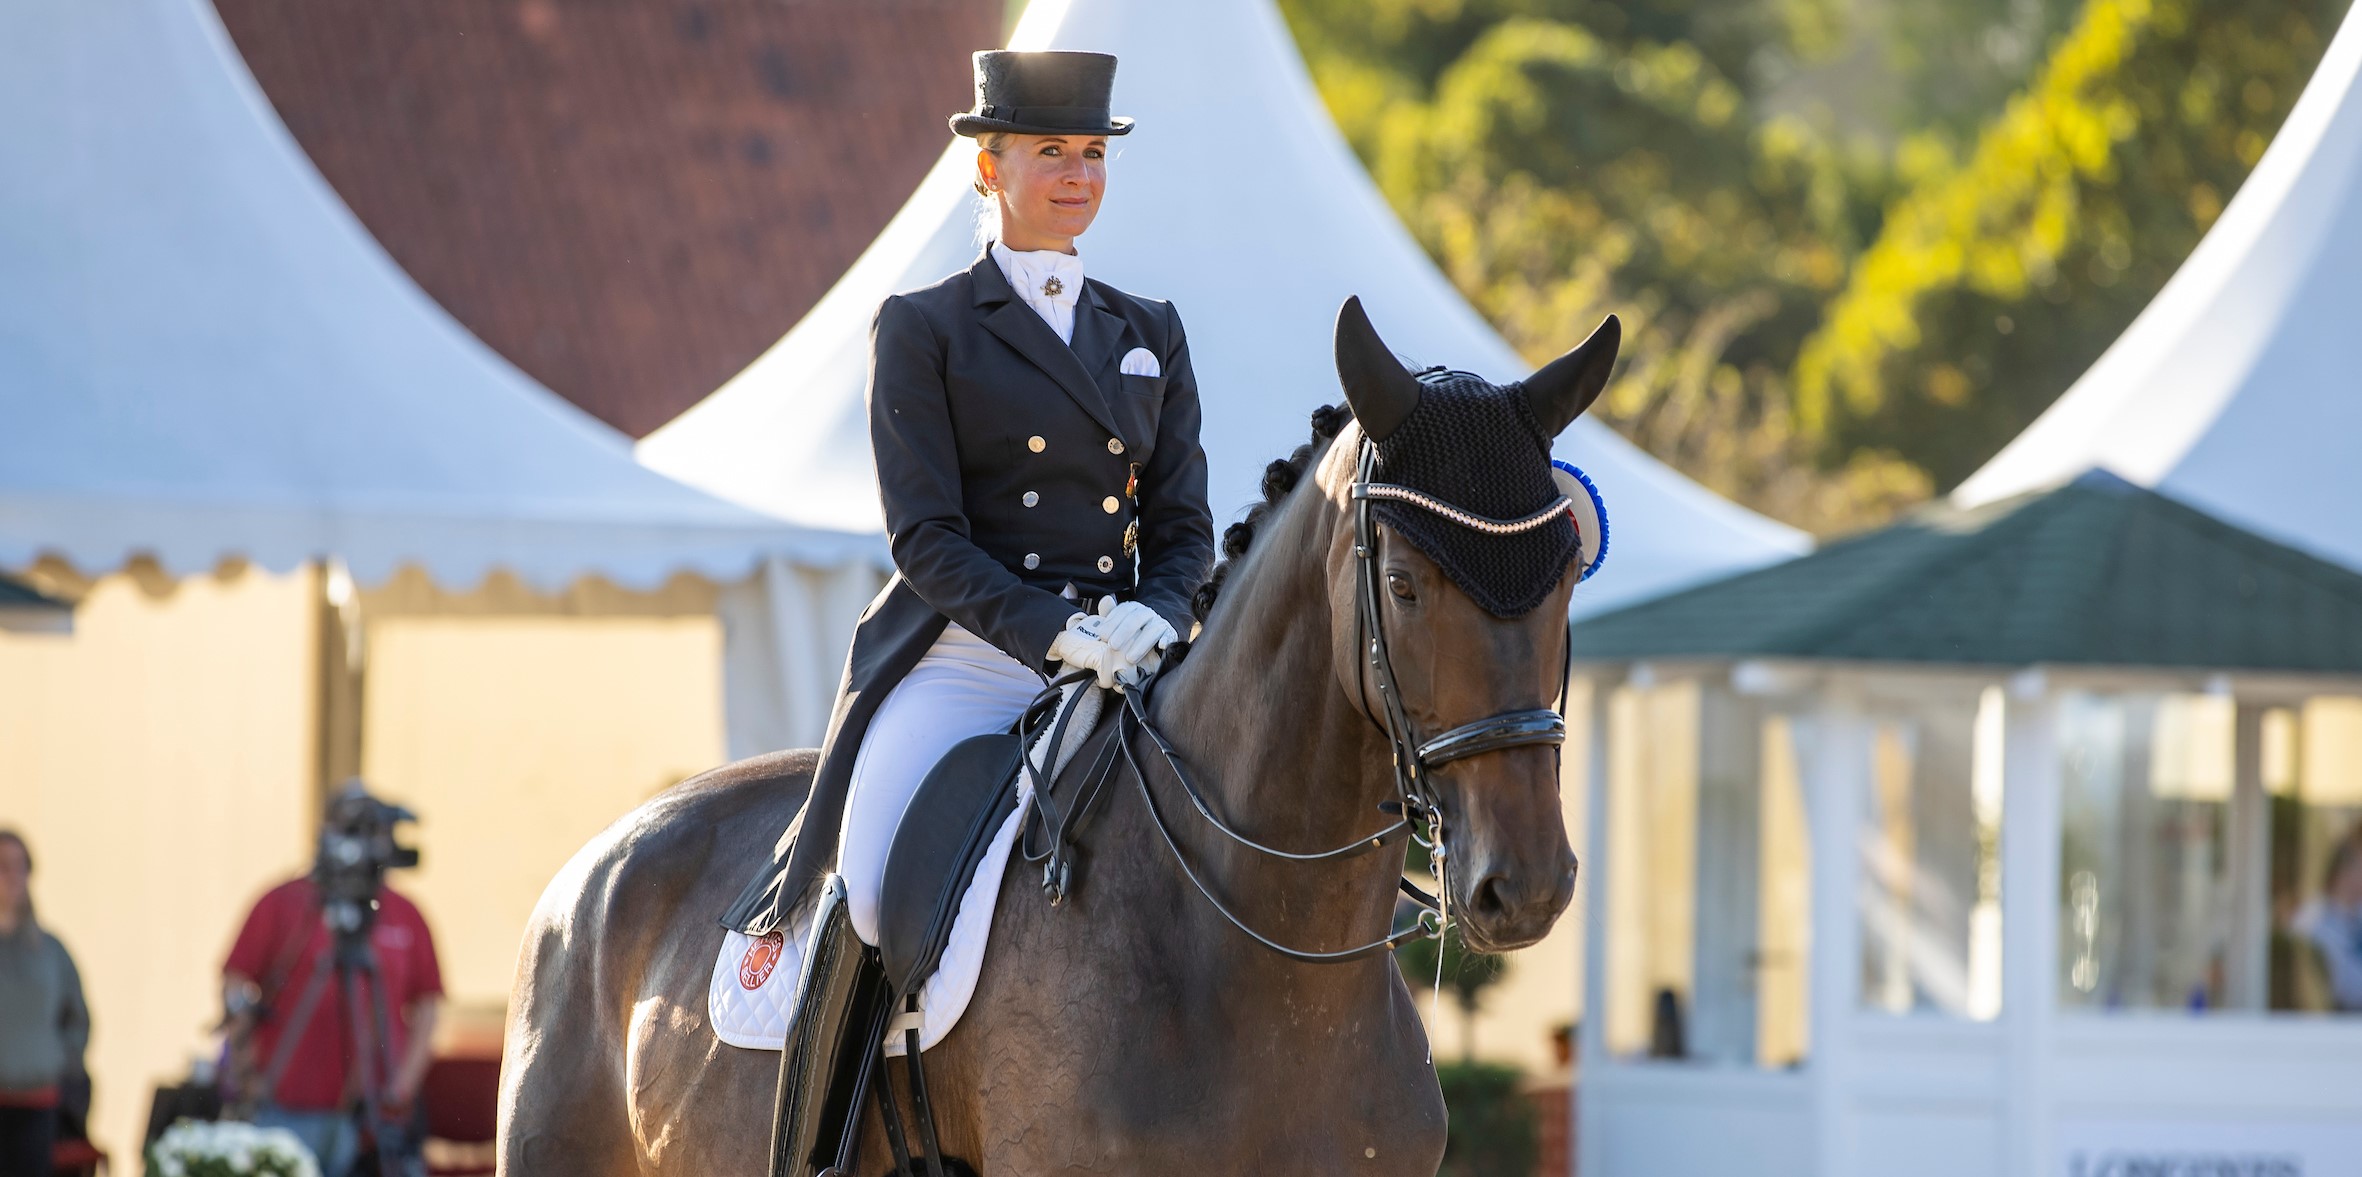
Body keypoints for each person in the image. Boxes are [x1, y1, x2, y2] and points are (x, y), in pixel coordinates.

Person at [718, 45, 1213, 1123]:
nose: (1077, 174)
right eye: (1050, 152)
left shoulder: (1150, 332)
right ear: (988, 167)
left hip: (1121, 668)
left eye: (1091, 152)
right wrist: (1055, 632)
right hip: (964, 662)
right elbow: (927, 540)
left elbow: (1184, 529)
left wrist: (1157, 613)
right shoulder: (926, 326)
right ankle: (822, 1136)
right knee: (875, 883)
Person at [222, 809, 444, 1177]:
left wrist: (402, 1086)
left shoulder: (404, 913)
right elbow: (235, 981)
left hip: (372, 1117)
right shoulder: (286, 901)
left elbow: (429, 1008)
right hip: (282, 1105)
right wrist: (242, 1065)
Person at [0, 830, 90, 1177]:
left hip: (37, 1103)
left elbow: (77, 1018)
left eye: (20, 867)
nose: (12, 877)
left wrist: (60, 1061)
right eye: (4, 867)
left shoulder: (50, 951)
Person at [2292, 831, 2362, 1011]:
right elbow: (2331, 986)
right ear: (2344, 870)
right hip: (2331, 1025)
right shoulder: (2312, 920)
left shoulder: (2356, 914)